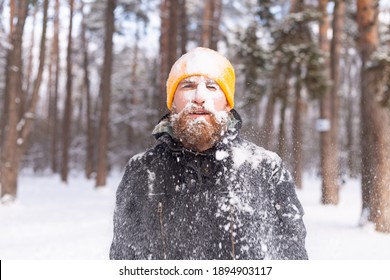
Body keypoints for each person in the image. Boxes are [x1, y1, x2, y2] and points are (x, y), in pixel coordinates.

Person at [109, 47, 308, 260]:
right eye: (188, 85)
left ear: (227, 103)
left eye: (212, 86)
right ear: (173, 101)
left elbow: (291, 258)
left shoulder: (266, 167)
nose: (200, 97)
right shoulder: (142, 170)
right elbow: (124, 259)